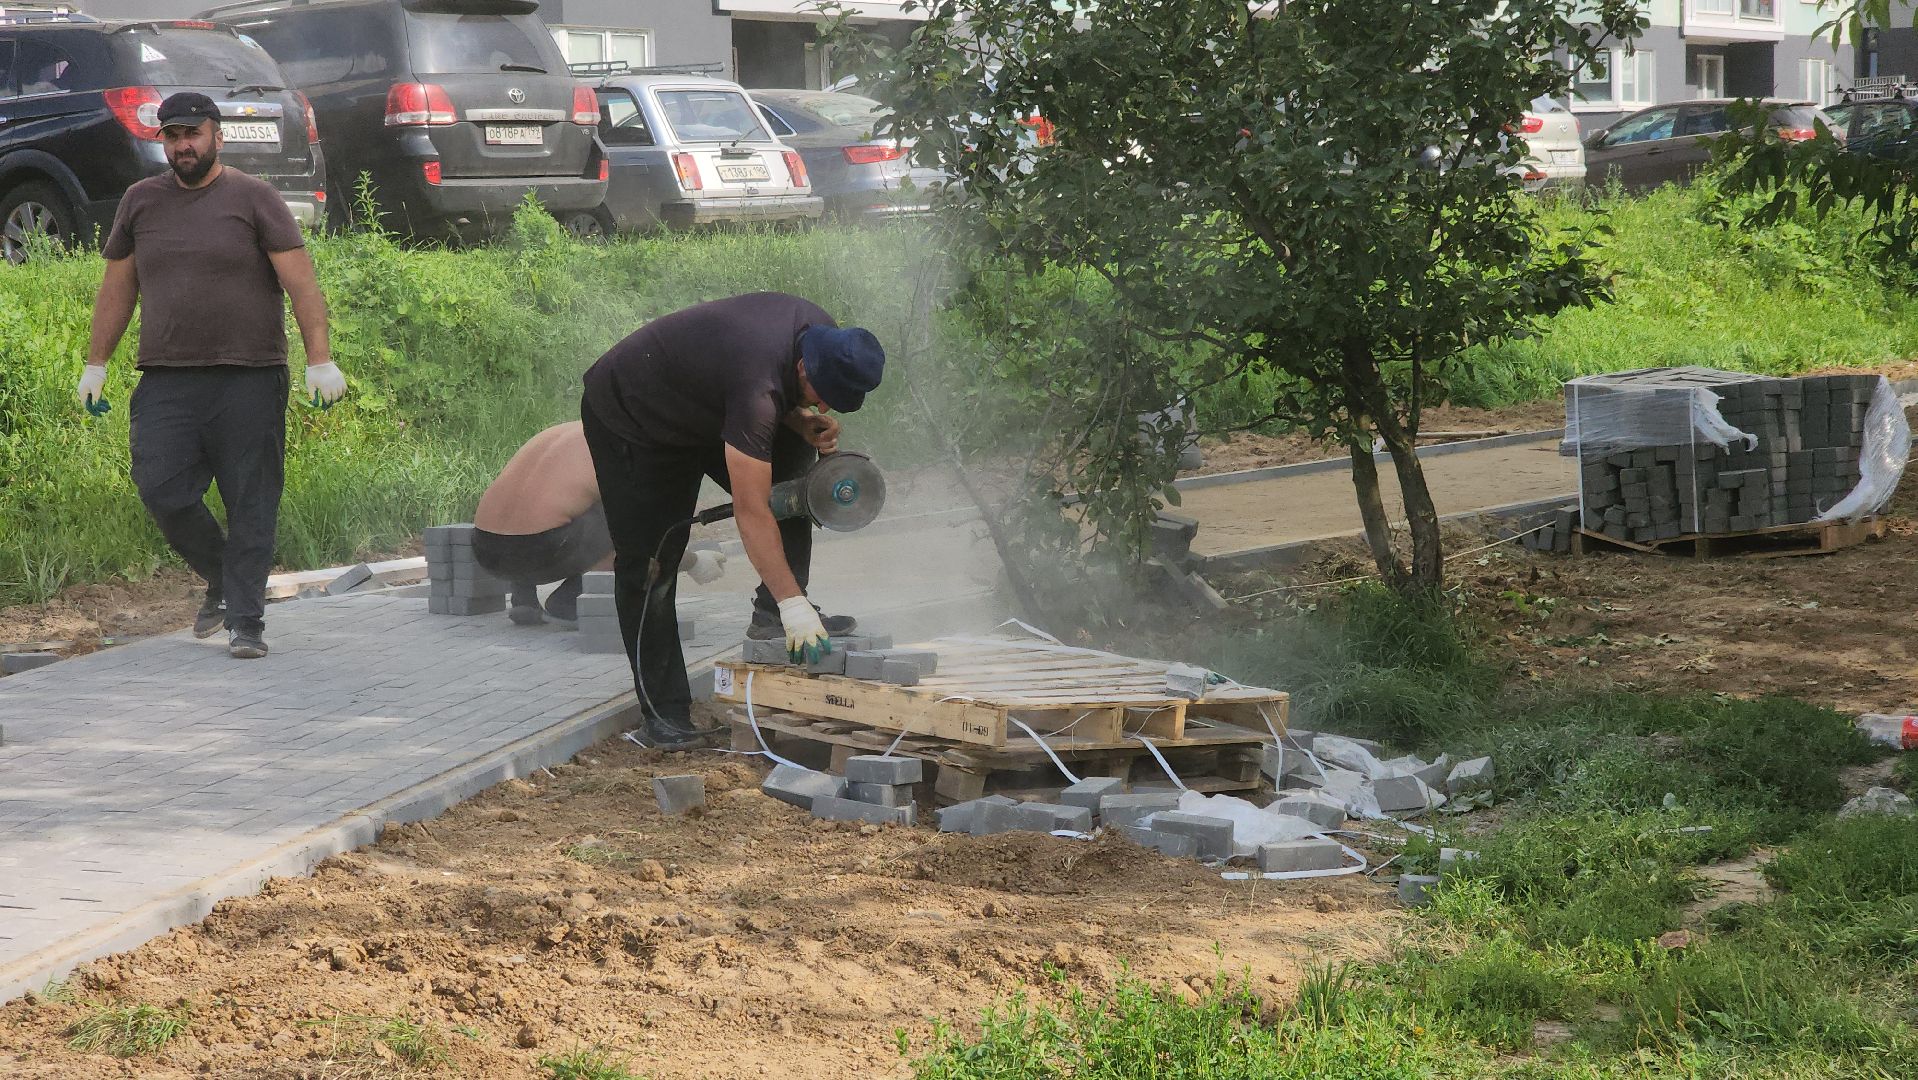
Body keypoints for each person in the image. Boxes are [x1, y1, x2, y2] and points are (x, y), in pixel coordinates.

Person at [79, 92, 344, 660]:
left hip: (250, 376)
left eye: (193, 134)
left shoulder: (254, 198)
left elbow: (302, 285)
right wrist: (95, 361)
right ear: (164, 142)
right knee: (161, 487)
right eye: (173, 137)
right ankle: (223, 576)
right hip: (168, 379)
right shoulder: (140, 202)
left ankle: (246, 621)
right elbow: (117, 290)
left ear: (217, 136)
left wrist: (319, 359)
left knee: (251, 500)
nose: (183, 146)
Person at [580, 292, 884, 747]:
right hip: (636, 417)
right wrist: (795, 603)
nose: (824, 410)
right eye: (821, 399)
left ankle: (770, 614)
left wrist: (797, 420)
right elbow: (752, 511)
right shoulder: (757, 389)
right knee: (651, 563)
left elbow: (768, 396)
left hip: (710, 404)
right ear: (805, 368)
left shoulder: (820, 333)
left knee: (797, 484)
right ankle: (665, 714)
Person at [471, 421, 725, 625]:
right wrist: (694, 562)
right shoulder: (621, 448)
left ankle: (523, 598)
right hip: (544, 549)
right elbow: (641, 536)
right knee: (617, 518)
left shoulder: (560, 431)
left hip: (484, 549)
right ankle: (571, 598)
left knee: (551, 506)